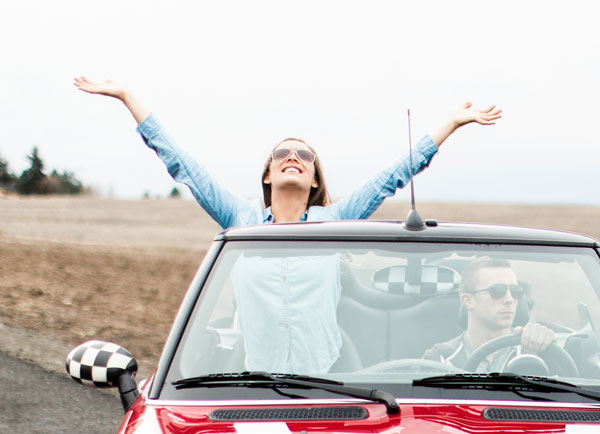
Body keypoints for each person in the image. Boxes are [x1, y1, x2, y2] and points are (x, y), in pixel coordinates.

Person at [73, 76, 501, 228]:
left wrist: (449, 124)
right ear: (267, 175)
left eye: (305, 155)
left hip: (319, 381)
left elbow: (392, 176)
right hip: (255, 380)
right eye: (282, 153)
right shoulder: (239, 219)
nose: (293, 156)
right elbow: (184, 166)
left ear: (315, 179)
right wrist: (129, 97)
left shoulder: (337, 221)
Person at [424, 257, 555, 371]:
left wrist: (547, 346)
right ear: (468, 301)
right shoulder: (439, 359)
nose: (509, 299)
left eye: (516, 291)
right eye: (497, 291)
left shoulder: (536, 351)